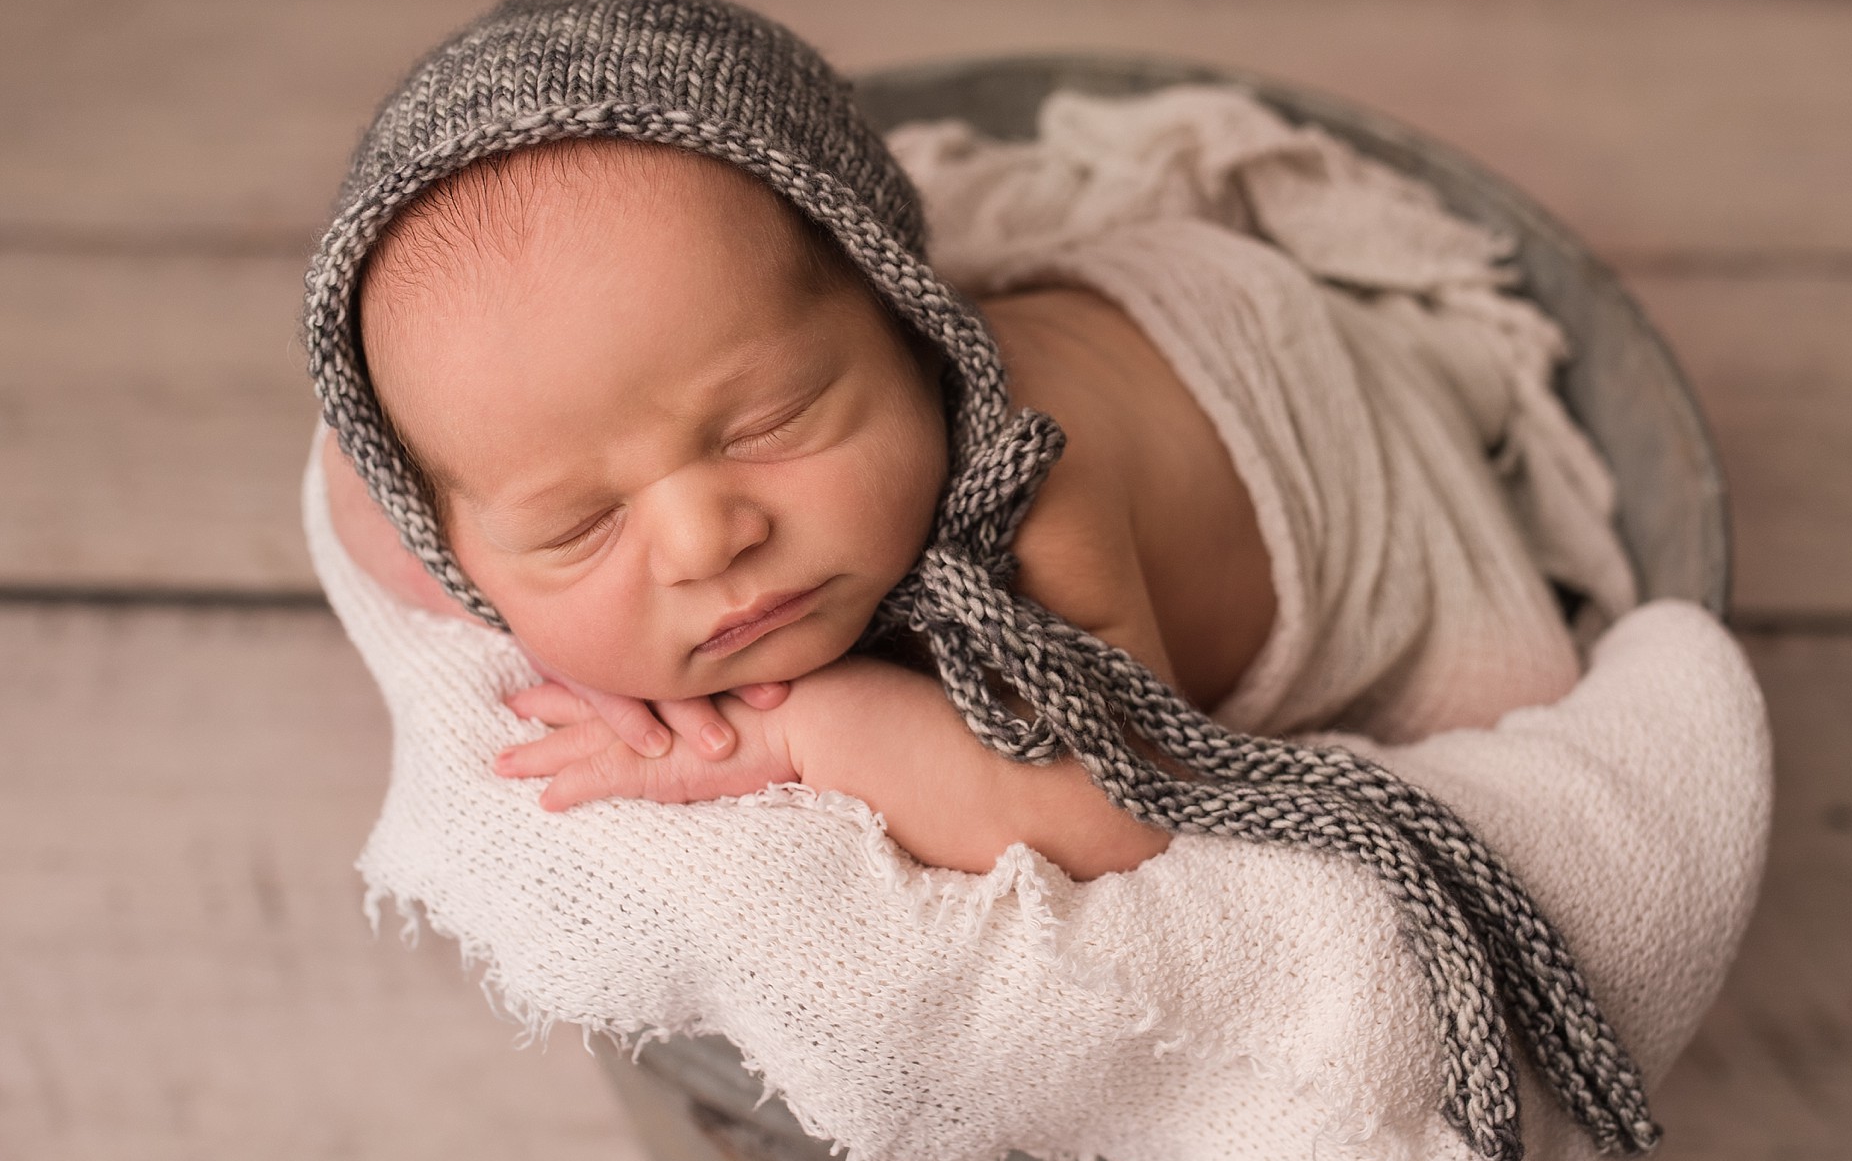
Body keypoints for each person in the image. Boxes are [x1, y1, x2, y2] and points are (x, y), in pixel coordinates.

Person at [321, 126, 1579, 882]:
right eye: (575, 525)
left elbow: (1112, 811)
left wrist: (805, 735)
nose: (706, 538)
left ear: (915, 330)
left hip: (1309, 440)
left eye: (765, 424)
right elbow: (358, 490)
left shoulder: (1035, 506)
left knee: (1510, 739)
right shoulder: (498, 502)